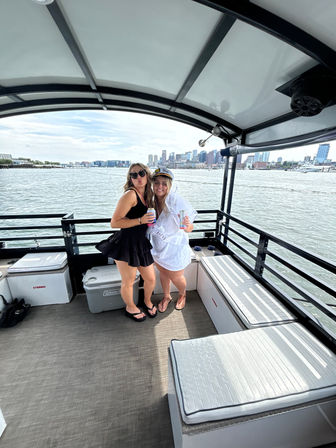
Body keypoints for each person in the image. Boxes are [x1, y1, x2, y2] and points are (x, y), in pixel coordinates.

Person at [107, 163, 157, 321]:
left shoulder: (147, 195)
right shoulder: (130, 195)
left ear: (147, 175)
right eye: (133, 175)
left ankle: (147, 301)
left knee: (150, 278)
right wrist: (140, 220)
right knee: (128, 281)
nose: (138, 177)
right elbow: (114, 223)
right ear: (130, 179)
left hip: (140, 243)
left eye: (141, 173)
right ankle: (130, 307)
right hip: (126, 244)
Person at [148, 168, 197, 312]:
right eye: (156, 183)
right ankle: (167, 296)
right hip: (158, 247)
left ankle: (183, 294)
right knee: (163, 272)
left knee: (176, 275)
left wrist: (187, 225)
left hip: (175, 249)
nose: (160, 186)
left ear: (169, 184)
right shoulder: (151, 201)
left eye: (164, 183)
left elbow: (187, 228)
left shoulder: (176, 202)